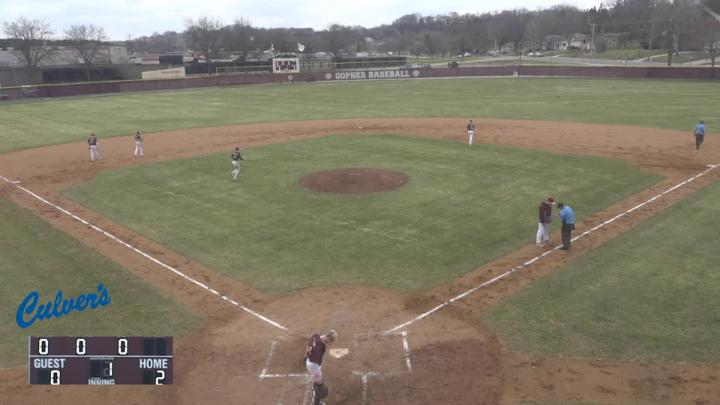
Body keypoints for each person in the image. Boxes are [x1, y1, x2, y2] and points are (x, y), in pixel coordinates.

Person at [305, 330, 337, 405]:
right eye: (330, 341)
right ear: (329, 338)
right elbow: (316, 361)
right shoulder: (321, 346)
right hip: (313, 365)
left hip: (309, 360)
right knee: (318, 382)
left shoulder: (315, 335)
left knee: (319, 381)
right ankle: (315, 400)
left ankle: (316, 388)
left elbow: (308, 346)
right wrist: (316, 373)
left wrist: (305, 356)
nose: (329, 342)